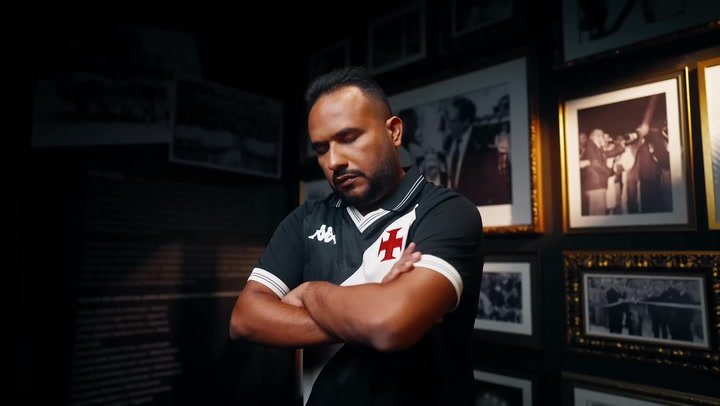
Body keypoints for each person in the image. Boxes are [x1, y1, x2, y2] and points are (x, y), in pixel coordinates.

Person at [229, 66, 485, 406]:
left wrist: (310, 292)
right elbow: (245, 319)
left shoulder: (447, 212)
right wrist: (373, 302)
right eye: (322, 148)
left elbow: (389, 324)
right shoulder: (306, 219)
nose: (334, 161)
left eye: (349, 138)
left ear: (394, 132)